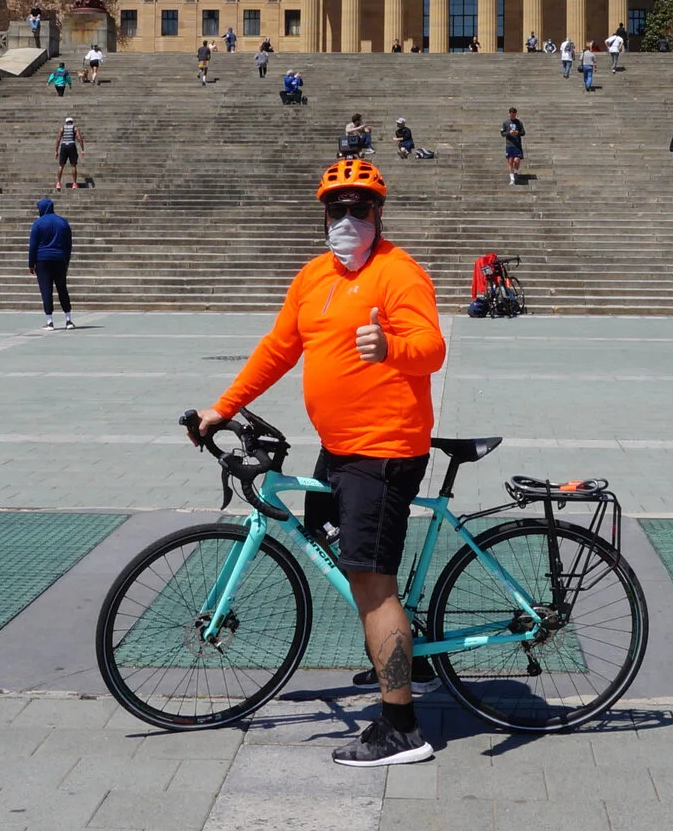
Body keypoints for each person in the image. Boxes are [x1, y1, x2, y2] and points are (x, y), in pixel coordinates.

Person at [196, 158, 446, 768]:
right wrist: (222, 407)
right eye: (337, 208)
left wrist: (391, 347)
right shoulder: (313, 276)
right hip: (339, 449)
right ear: (323, 215)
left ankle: (401, 728)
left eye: (360, 208)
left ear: (378, 213)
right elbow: (278, 349)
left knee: (371, 582)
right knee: (333, 544)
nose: (347, 219)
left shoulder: (399, 272)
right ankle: (406, 655)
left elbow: (432, 348)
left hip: (383, 452)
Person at [28, 197, 75, 330]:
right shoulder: (63, 222)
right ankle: (68, 319)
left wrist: (31, 263)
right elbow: (68, 244)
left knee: (46, 289)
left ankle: (50, 321)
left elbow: (33, 245)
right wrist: (66, 260)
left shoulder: (38, 224)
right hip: (60, 259)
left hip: (43, 260)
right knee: (62, 288)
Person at [54, 116, 83, 189]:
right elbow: (79, 138)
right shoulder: (74, 128)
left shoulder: (62, 128)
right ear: (72, 122)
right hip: (71, 145)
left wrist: (56, 151)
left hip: (64, 145)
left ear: (66, 122)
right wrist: (82, 149)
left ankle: (58, 183)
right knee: (73, 165)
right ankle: (74, 183)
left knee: (61, 165)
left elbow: (58, 139)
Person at [501, 108, 525, 185]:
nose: (512, 116)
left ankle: (515, 172)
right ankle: (512, 179)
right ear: (509, 114)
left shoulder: (519, 122)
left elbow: (523, 132)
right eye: (511, 115)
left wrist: (517, 132)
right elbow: (502, 133)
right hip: (509, 145)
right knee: (510, 161)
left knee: (516, 160)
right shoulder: (505, 122)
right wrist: (509, 133)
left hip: (517, 145)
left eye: (514, 115)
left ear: (515, 114)